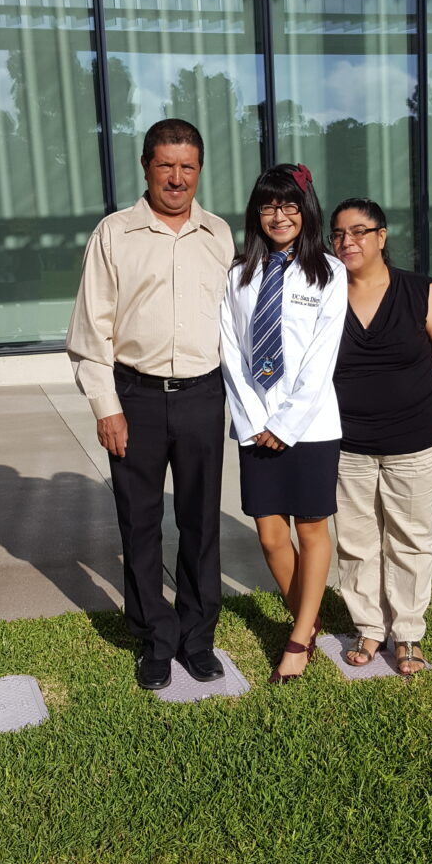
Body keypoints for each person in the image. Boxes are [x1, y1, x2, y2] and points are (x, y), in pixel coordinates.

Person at [66, 118, 235, 690]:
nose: (177, 177)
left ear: (200, 170)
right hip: (135, 397)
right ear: (145, 166)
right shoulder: (114, 234)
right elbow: (92, 330)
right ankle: (155, 639)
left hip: (202, 395)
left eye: (188, 166)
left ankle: (197, 637)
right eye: (166, 165)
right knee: (139, 524)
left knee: (200, 523)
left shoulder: (219, 235)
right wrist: (105, 405)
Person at [329, 198, 432, 676]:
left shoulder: (418, 290)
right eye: (339, 234)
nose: (348, 241)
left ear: (382, 237)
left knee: (410, 539)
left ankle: (407, 633)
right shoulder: (325, 292)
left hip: (418, 438)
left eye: (359, 231)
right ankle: (369, 627)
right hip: (347, 444)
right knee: (356, 540)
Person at [220, 164, 347, 683]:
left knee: (310, 528)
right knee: (271, 535)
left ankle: (298, 638)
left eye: (289, 204)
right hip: (254, 425)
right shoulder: (239, 274)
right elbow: (230, 348)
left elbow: (322, 357)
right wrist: (254, 419)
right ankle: (310, 618)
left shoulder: (329, 273)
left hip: (311, 425)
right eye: (269, 205)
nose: (279, 215)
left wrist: (288, 422)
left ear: (305, 209)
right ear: (257, 213)